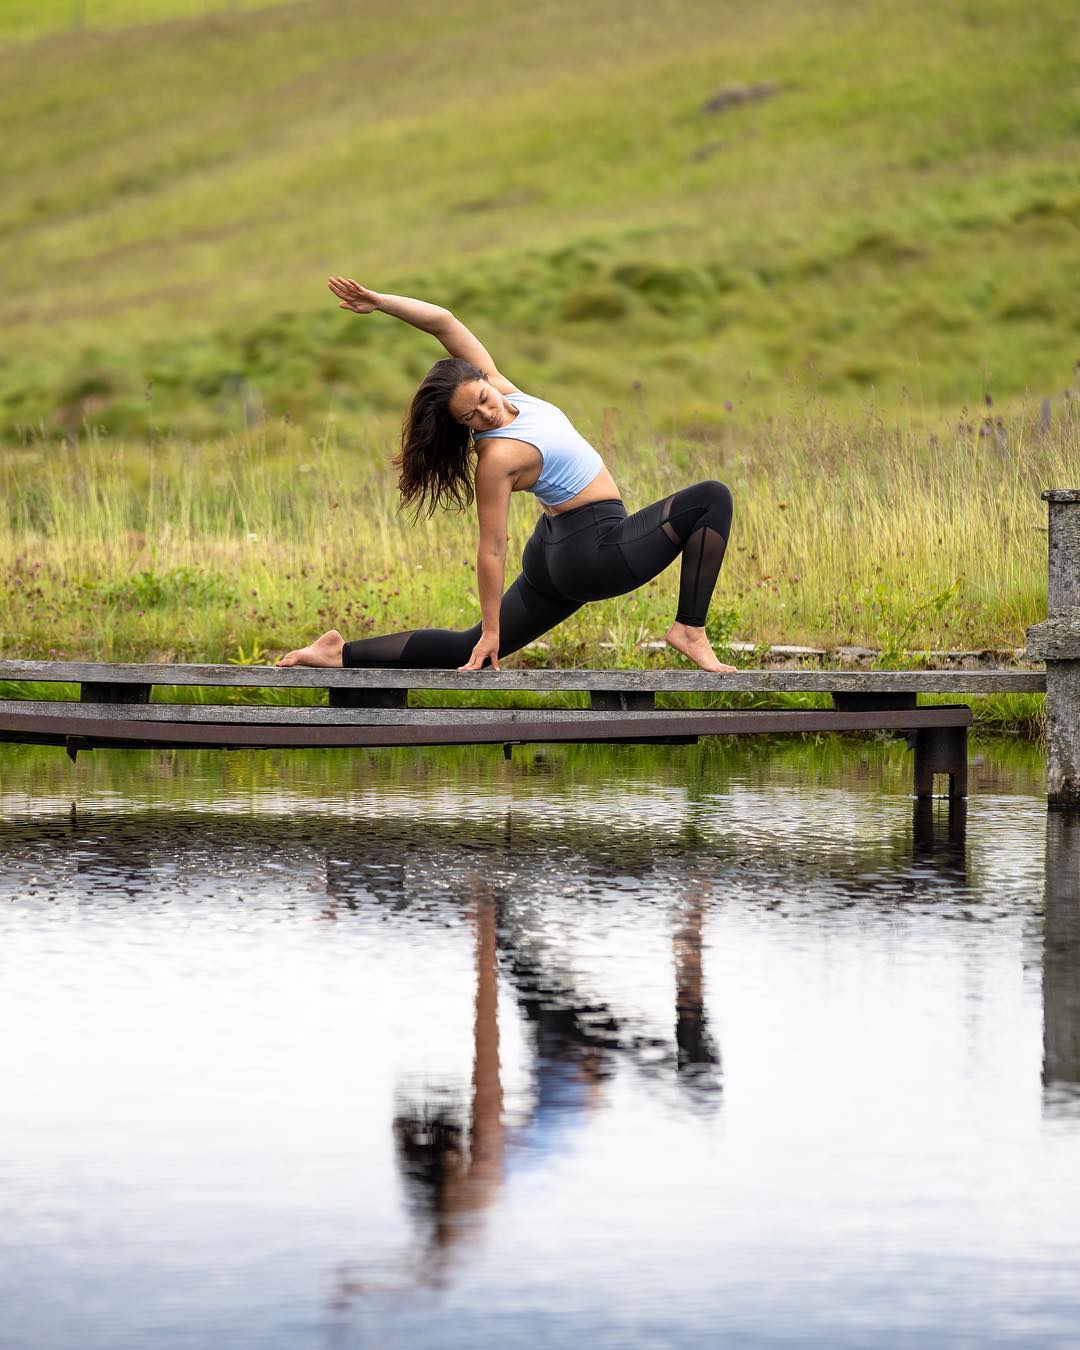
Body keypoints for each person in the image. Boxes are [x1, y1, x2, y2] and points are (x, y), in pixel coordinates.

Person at [277, 277, 736, 673]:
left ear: (483, 377)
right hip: (592, 551)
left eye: (481, 397)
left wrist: (380, 303)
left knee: (465, 646)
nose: (486, 413)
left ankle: (340, 655)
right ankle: (689, 629)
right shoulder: (495, 459)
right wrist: (493, 628)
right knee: (711, 498)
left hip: (556, 553)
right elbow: (492, 548)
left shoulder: (503, 389)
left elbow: (444, 322)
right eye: (471, 417)